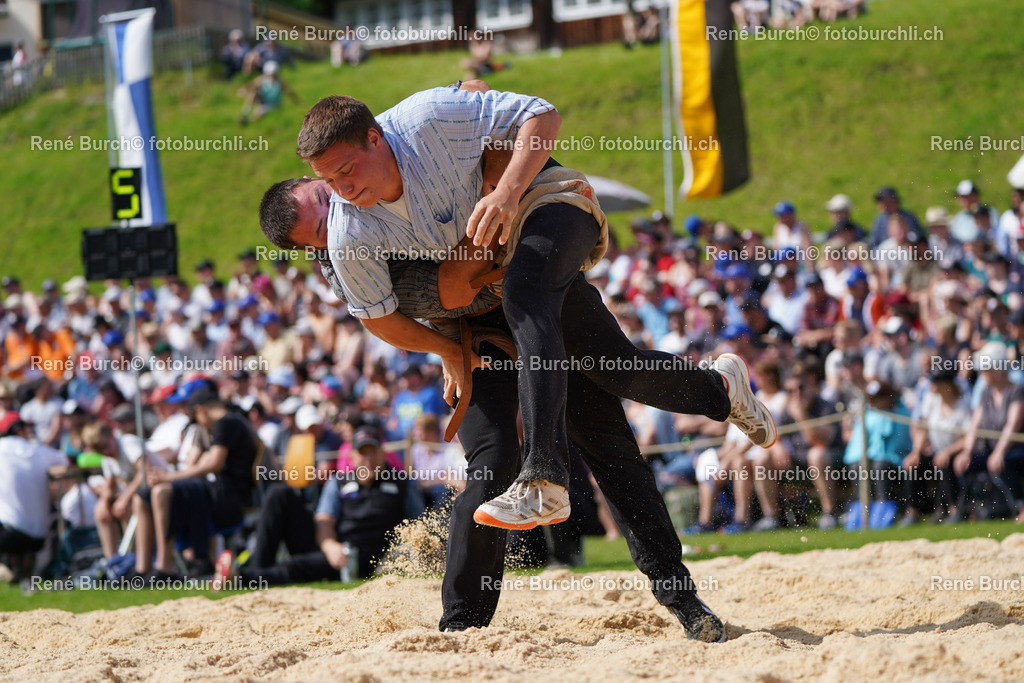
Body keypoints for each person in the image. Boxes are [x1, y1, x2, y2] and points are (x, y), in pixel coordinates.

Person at [262, 84, 774, 532]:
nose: (342, 192)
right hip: (481, 274)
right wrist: (447, 349)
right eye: (331, 182)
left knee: (524, 296)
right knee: (621, 373)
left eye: (346, 173)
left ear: (375, 138)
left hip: (537, 203)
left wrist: (504, 190)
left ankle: (544, 476)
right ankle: (720, 388)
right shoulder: (348, 236)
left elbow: (539, 114)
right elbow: (383, 317)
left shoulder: (426, 118)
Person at [0, 411, 68, 577]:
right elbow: (64, 461)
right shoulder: (40, 451)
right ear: (19, 430)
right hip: (38, 538)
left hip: (8, 535)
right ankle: (17, 569)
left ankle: (8, 567)